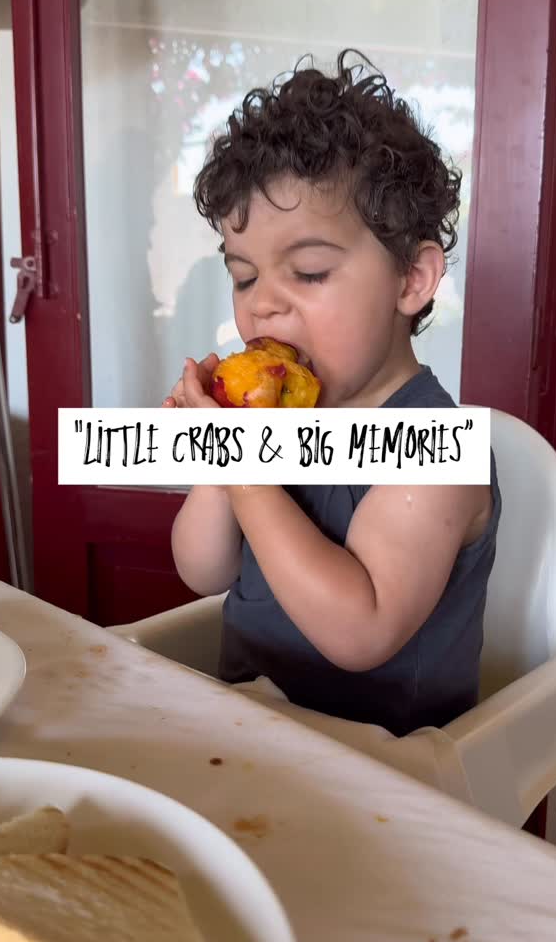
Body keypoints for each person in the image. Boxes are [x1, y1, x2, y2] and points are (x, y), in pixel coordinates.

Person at [164, 50, 501, 737]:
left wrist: (243, 470)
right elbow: (201, 570)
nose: (263, 306)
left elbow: (360, 629)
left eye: (310, 271)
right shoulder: (278, 420)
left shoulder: (439, 450)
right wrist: (215, 460)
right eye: (245, 276)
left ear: (412, 280)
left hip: (386, 769)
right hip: (251, 739)